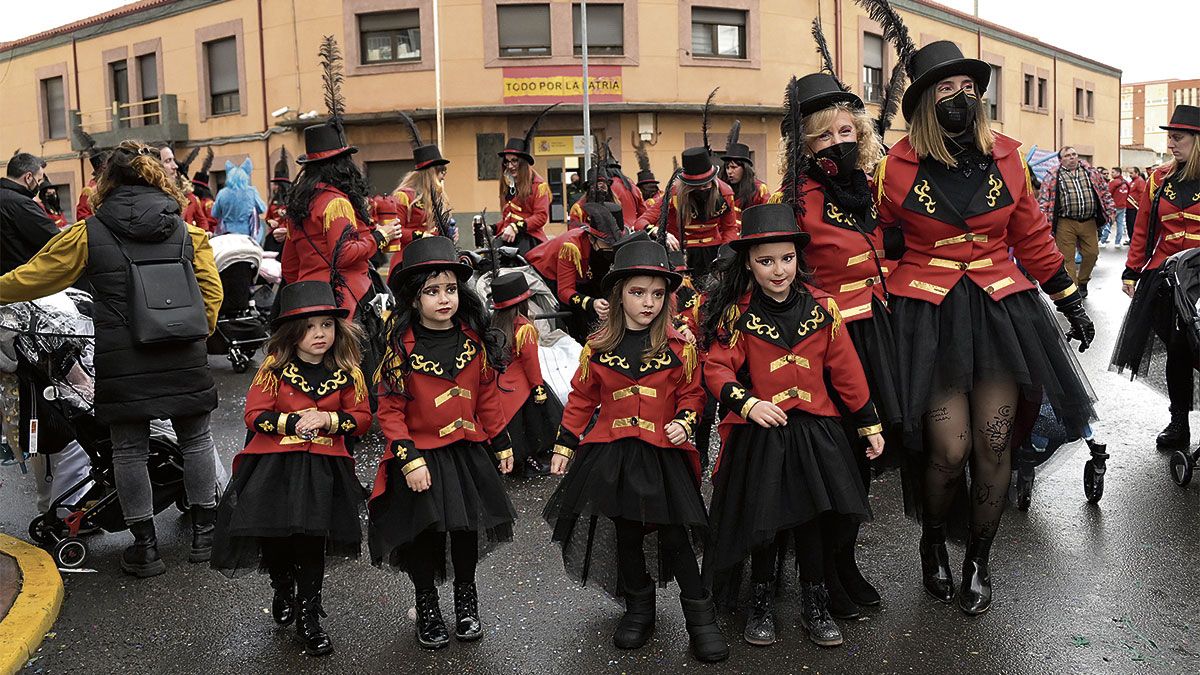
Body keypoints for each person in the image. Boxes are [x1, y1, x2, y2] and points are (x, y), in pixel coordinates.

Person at [874, 40, 1096, 615]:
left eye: (968, 89)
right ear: (924, 103)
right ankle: (931, 543)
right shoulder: (892, 169)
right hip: (931, 316)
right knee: (950, 449)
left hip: (1001, 312)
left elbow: (1031, 239)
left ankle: (979, 558)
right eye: (945, 90)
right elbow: (876, 246)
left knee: (996, 441)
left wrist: (1069, 299)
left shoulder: (1010, 157)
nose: (960, 97)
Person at [0, 140, 224, 577]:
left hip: (124, 357)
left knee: (128, 451)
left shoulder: (89, 232)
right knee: (196, 439)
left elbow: (34, 278)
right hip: (183, 349)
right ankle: (205, 535)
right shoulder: (188, 231)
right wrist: (195, 333)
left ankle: (145, 548)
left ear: (106, 184)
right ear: (158, 180)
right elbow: (211, 294)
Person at [700, 203, 884, 647]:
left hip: (818, 432)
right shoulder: (737, 313)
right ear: (749, 263)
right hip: (763, 434)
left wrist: (868, 423)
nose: (778, 270)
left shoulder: (824, 308)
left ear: (798, 257)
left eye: (786, 258)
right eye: (765, 261)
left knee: (813, 523)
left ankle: (815, 604)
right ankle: (760, 602)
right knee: (766, 522)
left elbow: (846, 370)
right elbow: (716, 369)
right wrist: (747, 404)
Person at [544, 240, 728, 663]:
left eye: (657, 294)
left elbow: (693, 395)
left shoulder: (680, 345)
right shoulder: (598, 347)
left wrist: (685, 422)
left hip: (662, 456)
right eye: (637, 293)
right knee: (626, 534)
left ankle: (700, 620)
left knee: (676, 536)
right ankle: (639, 608)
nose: (648, 303)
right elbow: (580, 399)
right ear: (619, 294)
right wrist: (565, 444)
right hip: (613, 455)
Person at [775, 72, 904, 619]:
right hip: (824, 343)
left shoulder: (873, 187)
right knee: (832, 460)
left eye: (845, 131)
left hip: (878, 333)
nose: (837, 144)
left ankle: (843, 561)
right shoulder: (793, 199)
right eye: (822, 137)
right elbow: (773, 270)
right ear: (805, 146)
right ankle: (822, 572)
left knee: (864, 458)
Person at [368, 236, 517, 650]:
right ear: (415, 300)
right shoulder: (399, 349)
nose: (444, 298)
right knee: (425, 533)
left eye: (450, 289)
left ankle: (466, 602)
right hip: (419, 456)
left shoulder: (474, 342)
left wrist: (501, 440)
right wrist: (408, 459)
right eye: (432, 291)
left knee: (465, 529)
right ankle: (427, 603)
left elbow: (486, 396)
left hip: (465, 453)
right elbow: (390, 411)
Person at [210, 281, 371, 657]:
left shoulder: (349, 371)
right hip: (274, 466)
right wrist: (292, 423)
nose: (320, 334)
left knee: (312, 540)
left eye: (327, 326)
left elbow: (361, 419)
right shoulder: (274, 368)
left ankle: (309, 616)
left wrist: (328, 419)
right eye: (309, 327)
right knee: (277, 538)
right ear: (292, 332)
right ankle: (282, 586)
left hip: (324, 468)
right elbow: (253, 415)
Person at [1112, 104, 1200, 451]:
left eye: (1177, 138)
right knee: (1178, 350)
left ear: (1197, 140)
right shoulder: (1159, 178)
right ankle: (1179, 420)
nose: (1170, 144)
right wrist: (1132, 270)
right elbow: (1143, 229)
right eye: (1170, 137)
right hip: (1164, 280)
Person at [282, 118, 394, 318]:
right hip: (346, 299)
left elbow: (289, 265)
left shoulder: (299, 205)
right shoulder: (336, 203)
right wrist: (379, 237)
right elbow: (343, 255)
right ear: (341, 166)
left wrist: (307, 291)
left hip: (309, 300)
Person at [489, 272, 564, 476]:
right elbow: (531, 362)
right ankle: (530, 462)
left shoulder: (495, 324)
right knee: (533, 428)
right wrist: (538, 387)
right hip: (523, 385)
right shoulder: (524, 328)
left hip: (500, 384)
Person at [526, 202, 628, 342]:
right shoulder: (571, 247)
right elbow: (565, 291)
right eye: (608, 244)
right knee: (577, 317)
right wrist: (591, 303)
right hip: (549, 276)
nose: (612, 249)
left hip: (585, 275)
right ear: (592, 238)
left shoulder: (608, 248)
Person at [635, 147, 738, 279]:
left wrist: (724, 257)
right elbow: (640, 223)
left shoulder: (725, 193)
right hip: (682, 256)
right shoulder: (673, 194)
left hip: (714, 252)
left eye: (706, 184)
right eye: (696, 185)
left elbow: (730, 228)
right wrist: (660, 233)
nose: (702, 189)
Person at [1037, 145, 1116, 298]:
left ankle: (1083, 280)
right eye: (1067, 155)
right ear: (1061, 160)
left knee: (1092, 253)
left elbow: (1104, 192)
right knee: (1067, 259)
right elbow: (1044, 200)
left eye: (1074, 154)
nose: (1072, 157)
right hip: (1065, 222)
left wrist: (1111, 210)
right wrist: (1044, 222)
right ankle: (1072, 291)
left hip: (1089, 221)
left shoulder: (1091, 173)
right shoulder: (1053, 175)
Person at [389, 111, 452, 272]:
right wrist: (420, 236)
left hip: (431, 256)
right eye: (441, 169)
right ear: (431, 172)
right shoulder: (403, 197)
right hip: (408, 261)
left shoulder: (436, 196)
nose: (444, 174)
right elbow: (396, 230)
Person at [496, 104, 558, 255]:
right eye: (507, 161)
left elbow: (541, 217)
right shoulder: (508, 183)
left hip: (530, 239)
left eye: (514, 161)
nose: (510, 166)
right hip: (510, 237)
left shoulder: (539, 185)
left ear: (523, 163)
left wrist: (517, 227)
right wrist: (491, 227)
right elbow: (508, 218)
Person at [720, 121, 772, 228]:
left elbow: (767, 218)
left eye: (734, 167)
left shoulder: (759, 190)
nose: (729, 171)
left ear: (745, 169)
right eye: (727, 167)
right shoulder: (721, 188)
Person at [211, 158, 267, 241]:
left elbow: (215, 213)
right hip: (247, 233)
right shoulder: (251, 191)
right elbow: (262, 208)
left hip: (227, 233)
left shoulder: (222, 193)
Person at [264, 149, 292, 256]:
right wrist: (270, 221)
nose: (274, 187)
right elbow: (267, 217)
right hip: (273, 236)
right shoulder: (273, 201)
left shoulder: (291, 200)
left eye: (276, 184)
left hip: (286, 236)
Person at [1106, 166, 1129, 247]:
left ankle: (1103, 240)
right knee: (1120, 224)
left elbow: (1108, 193)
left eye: (1113, 172)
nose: (1111, 174)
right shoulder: (1126, 182)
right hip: (1122, 206)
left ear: (1118, 173)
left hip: (1114, 206)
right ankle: (1117, 242)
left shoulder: (1114, 182)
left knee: (1108, 223)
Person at [1126, 166, 1148, 247]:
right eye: (1129, 173)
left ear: (1137, 173)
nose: (1130, 175)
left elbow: (1142, 194)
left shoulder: (1139, 181)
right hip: (1129, 207)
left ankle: (1133, 240)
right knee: (1129, 224)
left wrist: (1140, 206)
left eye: (1132, 173)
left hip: (1135, 207)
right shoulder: (1132, 181)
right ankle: (1131, 239)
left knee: (1133, 224)